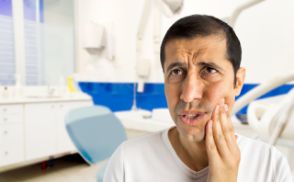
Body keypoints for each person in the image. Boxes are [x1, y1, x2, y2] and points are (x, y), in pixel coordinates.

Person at [103, 14, 293, 182]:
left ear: (237, 82)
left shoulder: (270, 166)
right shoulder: (127, 163)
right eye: (176, 71)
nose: (188, 95)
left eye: (209, 70)